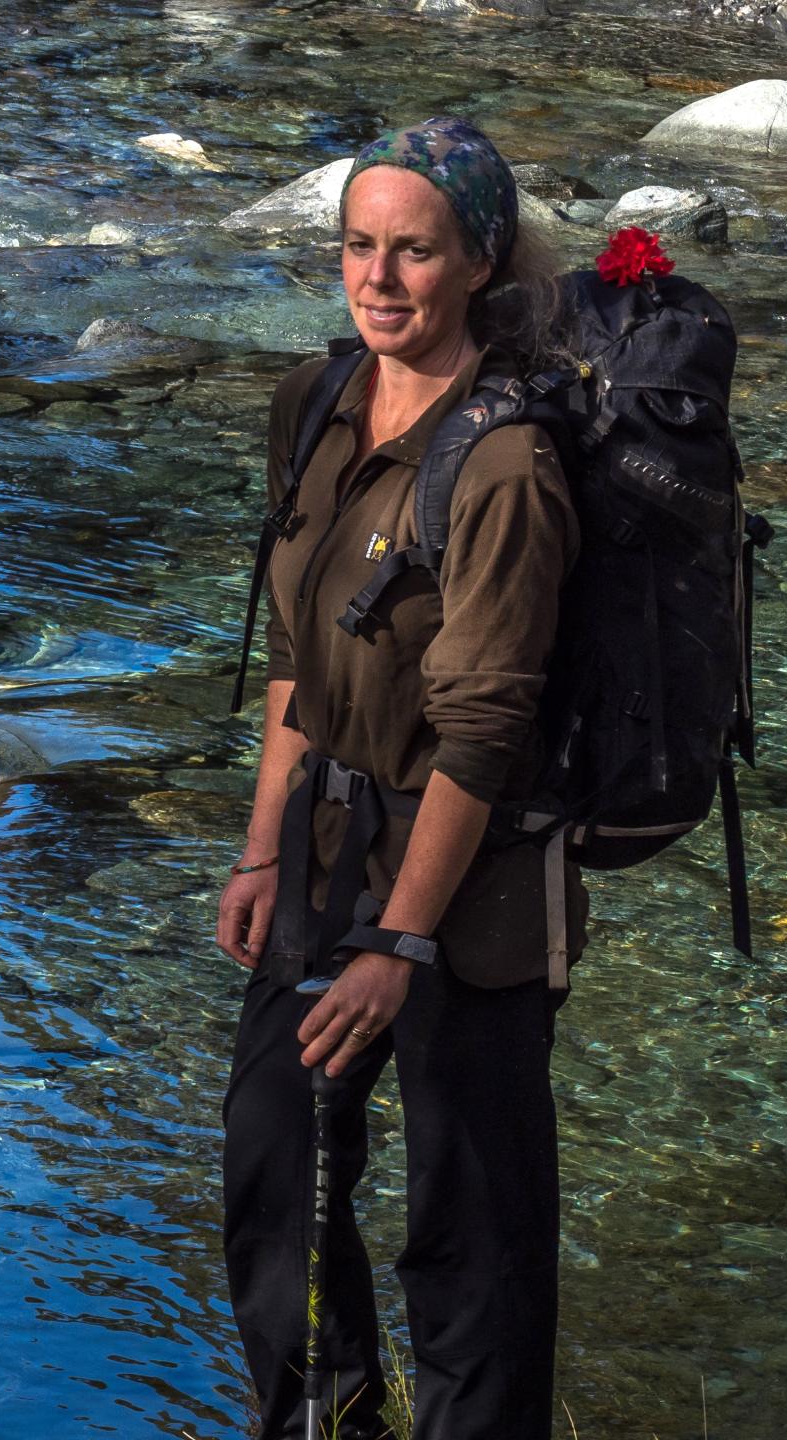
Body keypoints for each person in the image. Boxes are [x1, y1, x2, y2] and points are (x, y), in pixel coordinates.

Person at [214, 117, 581, 1440]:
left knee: (466, 1237)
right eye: (360, 246)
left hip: (466, 891)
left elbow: (483, 734)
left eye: (413, 253)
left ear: (479, 262)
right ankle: (329, 1423)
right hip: (323, 846)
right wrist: (263, 851)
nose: (378, 278)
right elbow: (298, 657)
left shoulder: (507, 466)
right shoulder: (313, 404)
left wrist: (397, 943)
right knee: (272, 1167)